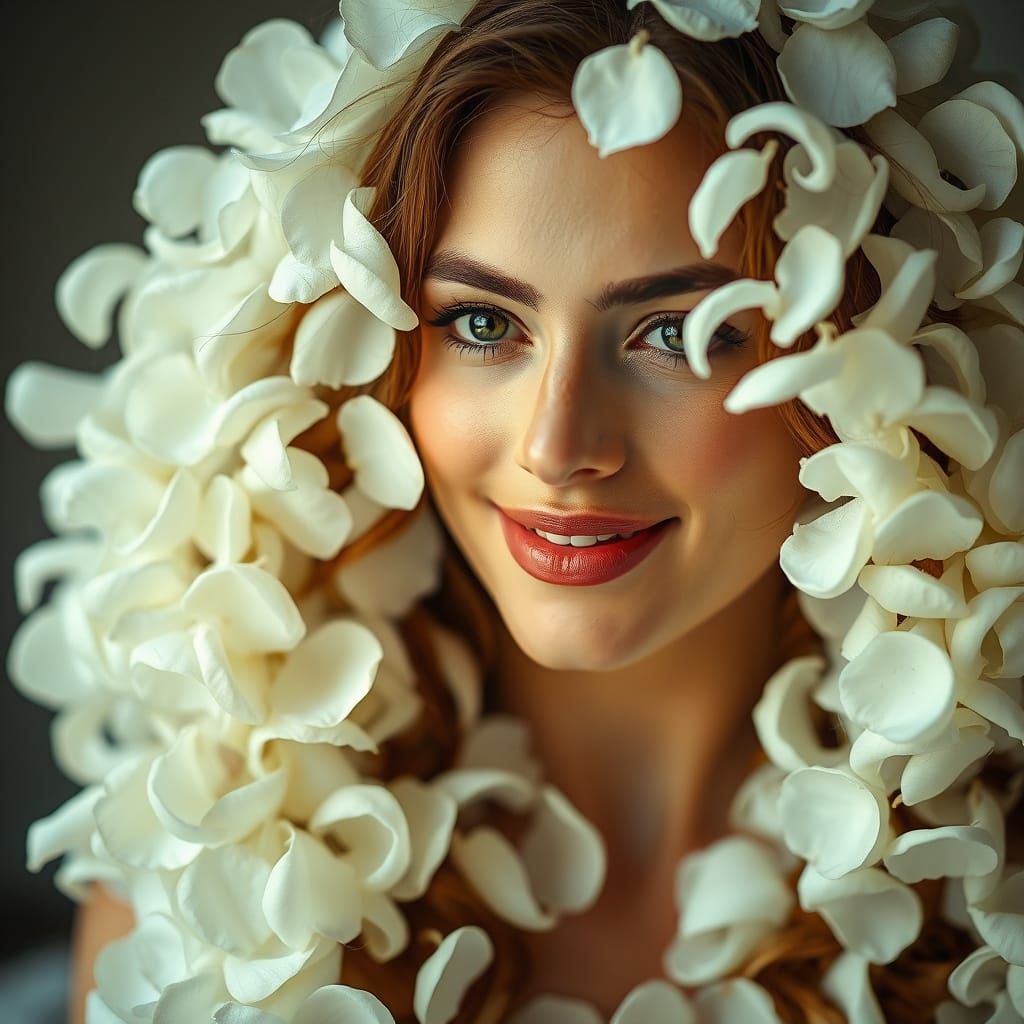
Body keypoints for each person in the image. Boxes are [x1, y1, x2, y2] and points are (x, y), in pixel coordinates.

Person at [5, 1, 1022, 1023]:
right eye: (483, 323)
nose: (557, 446)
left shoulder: (993, 897)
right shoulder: (202, 898)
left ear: (867, 367)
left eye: (677, 332)